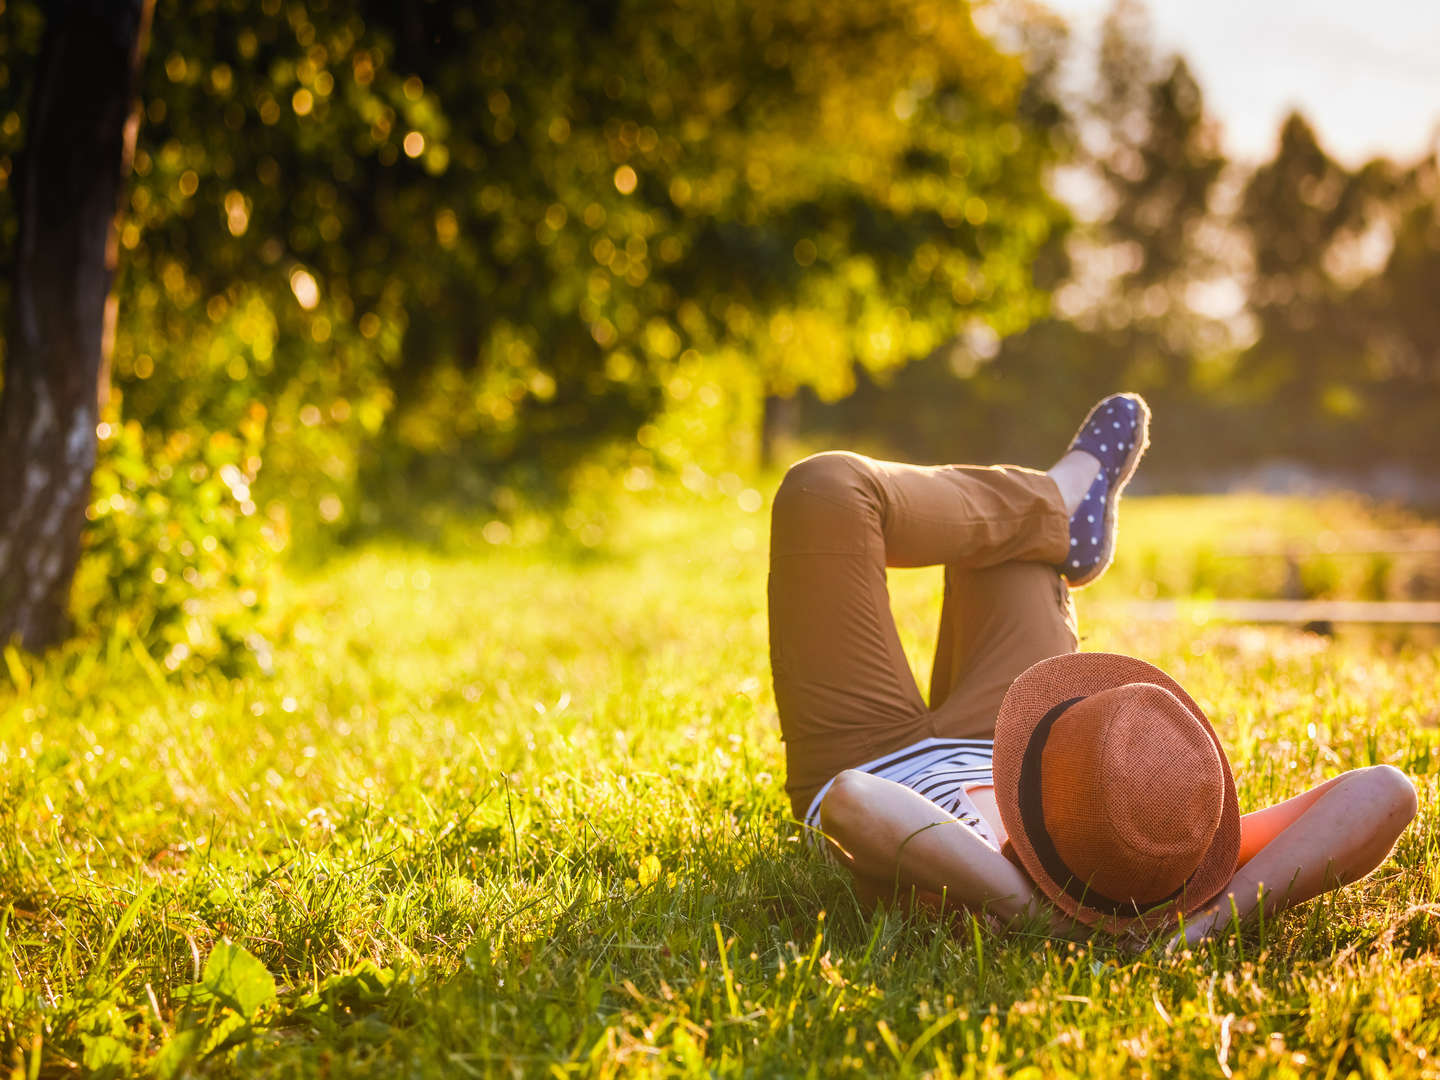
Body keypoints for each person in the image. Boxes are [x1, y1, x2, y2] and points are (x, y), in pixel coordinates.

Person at [767, 393, 1418, 946]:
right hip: (1018, 748)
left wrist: (1040, 914)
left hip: (871, 749)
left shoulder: (979, 890)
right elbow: (1386, 792)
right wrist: (1212, 922)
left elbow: (857, 799)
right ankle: (1054, 508)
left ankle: (1058, 495)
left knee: (823, 489)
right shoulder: (1164, 869)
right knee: (1011, 546)